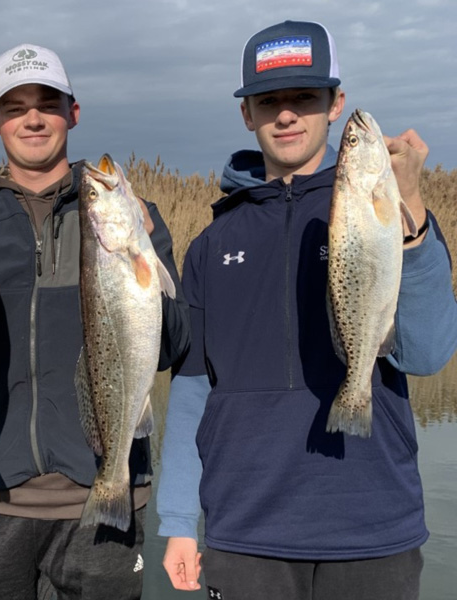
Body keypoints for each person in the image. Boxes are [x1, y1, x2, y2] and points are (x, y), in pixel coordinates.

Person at [156, 19, 457, 599]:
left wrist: (411, 206)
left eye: (305, 97)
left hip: (376, 526)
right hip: (245, 528)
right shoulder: (212, 244)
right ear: (247, 114)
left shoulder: (391, 213)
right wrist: (177, 520)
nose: (287, 114)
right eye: (270, 101)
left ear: (335, 104)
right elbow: (192, 388)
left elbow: (427, 354)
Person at [0, 43, 191, 599]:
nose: (33, 118)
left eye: (48, 103)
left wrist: (148, 243)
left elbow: (171, 346)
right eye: (15, 107)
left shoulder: (130, 216)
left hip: (104, 492)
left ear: (73, 112)